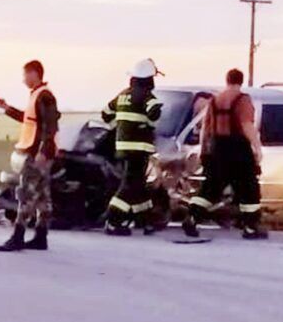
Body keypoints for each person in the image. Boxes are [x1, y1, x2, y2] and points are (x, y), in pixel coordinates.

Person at [184, 69, 268, 240]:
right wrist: (257, 148)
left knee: (211, 188)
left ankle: (192, 217)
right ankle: (250, 227)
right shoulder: (243, 100)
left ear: (227, 80)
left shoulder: (214, 100)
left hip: (217, 148)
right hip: (238, 149)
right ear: (241, 81)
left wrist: (203, 151)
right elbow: (246, 125)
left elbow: (205, 128)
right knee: (248, 188)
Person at [0, 60, 60, 252]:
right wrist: (6, 108)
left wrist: (43, 151)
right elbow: (28, 119)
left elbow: (50, 126)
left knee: (26, 195)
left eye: (25, 75)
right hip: (38, 153)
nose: (23, 79)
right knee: (43, 197)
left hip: (36, 154)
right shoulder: (37, 95)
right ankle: (41, 236)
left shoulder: (44, 96)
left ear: (34, 74)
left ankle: (18, 236)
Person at [101, 59, 164, 236]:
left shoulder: (123, 95)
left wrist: (119, 127)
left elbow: (105, 113)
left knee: (138, 185)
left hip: (122, 147)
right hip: (139, 148)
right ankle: (112, 221)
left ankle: (146, 220)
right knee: (129, 186)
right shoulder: (147, 96)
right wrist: (148, 124)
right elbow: (155, 112)